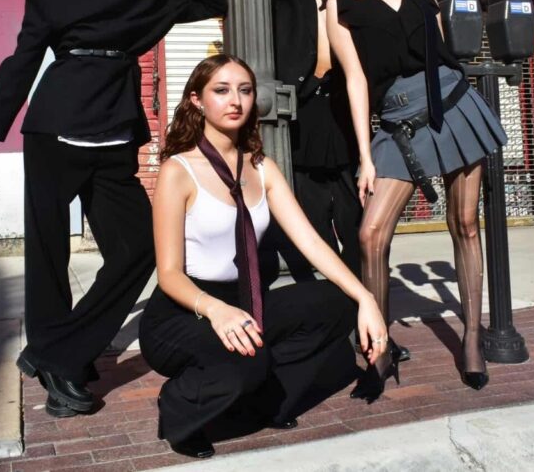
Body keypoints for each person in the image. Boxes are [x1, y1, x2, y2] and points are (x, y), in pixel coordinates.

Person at [0, 0, 227, 417]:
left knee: (141, 248)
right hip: (54, 131)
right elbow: (21, 65)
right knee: (48, 255)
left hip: (116, 130)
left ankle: (58, 352)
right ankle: (59, 363)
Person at [139, 54, 386, 459]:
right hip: (184, 311)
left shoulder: (261, 167)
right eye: (221, 91)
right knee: (248, 365)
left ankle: (266, 402)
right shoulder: (177, 171)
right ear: (197, 100)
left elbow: (310, 242)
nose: (235, 100)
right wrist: (216, 311)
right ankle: (180, 404)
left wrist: (365, 298)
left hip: (244, 301)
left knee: (335, 304)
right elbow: (168, 274)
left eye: (245, 90)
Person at [325, 0, 508, 401]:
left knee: (465, 223)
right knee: (371, 234)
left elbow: (442, 57)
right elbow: (356, 80)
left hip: (453, 106)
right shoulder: (341, 3)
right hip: (398, 125)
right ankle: (378, 349)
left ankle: (472, 340)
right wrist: (366, 156)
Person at [268, 0, 362, 279]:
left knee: (356, 224)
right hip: (301, 109)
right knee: (312, 222)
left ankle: (357, 300)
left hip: (342, 107)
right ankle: (328, 297)